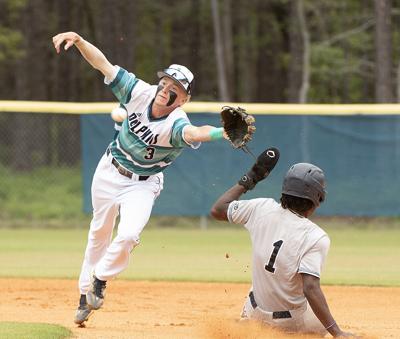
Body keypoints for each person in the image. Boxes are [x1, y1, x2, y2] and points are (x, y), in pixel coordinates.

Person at [52, 31, 226, 325]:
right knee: (99, 233)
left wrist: (222, 132)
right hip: (109, 170)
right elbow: (103, 65)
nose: (166, 87)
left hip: (143, 184)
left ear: (184, 99)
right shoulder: (139, 92)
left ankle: (100, 279)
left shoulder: (176, 123)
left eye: (176, 87)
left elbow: (195, 133)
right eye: (166, 81)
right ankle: (85, 295)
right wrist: (80, 41)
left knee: (129, 234)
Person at [210, 147, 355, 337]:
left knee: (257, 295)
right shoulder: (315, 236)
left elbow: (218, 210)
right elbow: (310, 288)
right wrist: (336, 332)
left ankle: (247, 324)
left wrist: (251, 178)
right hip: (291, 321)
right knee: (325, 332)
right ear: (317, 199)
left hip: (254, 310)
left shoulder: (261, 208)